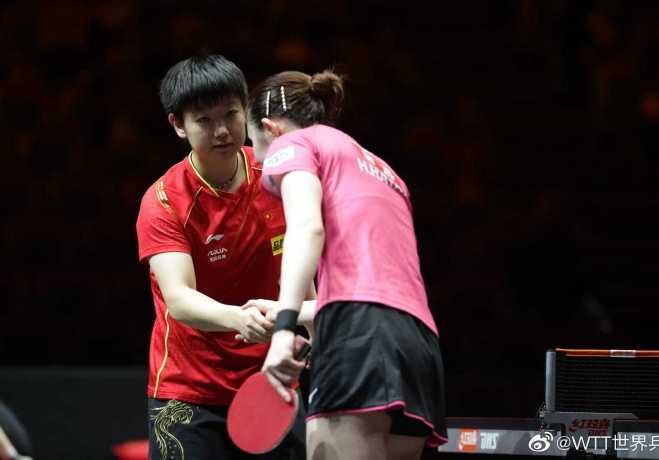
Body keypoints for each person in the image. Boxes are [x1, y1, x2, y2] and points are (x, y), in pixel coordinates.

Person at [245, 70, 447, 460]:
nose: (262, 164)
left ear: (270, 129)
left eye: (257, 148)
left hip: (359, 333)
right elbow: (377, 287)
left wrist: (284, 330)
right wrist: (294, 310)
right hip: (418, 342)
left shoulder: (293, 144)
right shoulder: (383, 170)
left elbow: (307, 228)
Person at [135, 54, 312, 460]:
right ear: (178, 125)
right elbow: (179, 299)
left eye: (231, 114)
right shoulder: (164, 202)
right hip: (188, 391)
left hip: (271, 380)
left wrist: (311, 332)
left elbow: (301, 265)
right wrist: (240, 319)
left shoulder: (276, 173)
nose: (221, 131)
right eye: (204, 120)